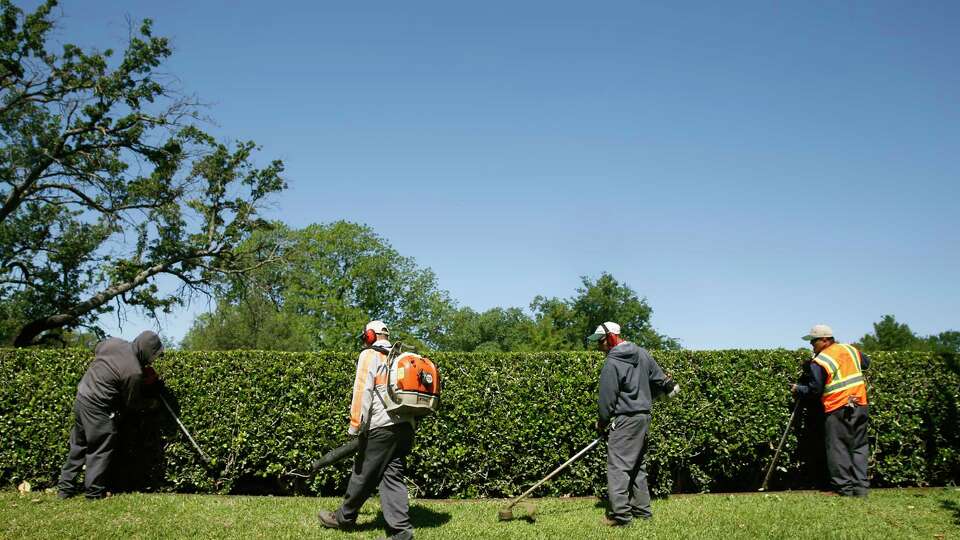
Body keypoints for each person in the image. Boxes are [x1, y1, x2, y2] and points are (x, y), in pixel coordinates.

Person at [318, 320, 416, 540]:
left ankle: (344, 518)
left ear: (370, 336)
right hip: (406, 428)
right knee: (392, 476)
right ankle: (401, 532)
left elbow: (362, 391)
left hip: (381, 427)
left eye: (365, 337)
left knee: (362, 474)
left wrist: (355, 426)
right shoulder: (400, 357)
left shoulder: (369, 355)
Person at [589, 321, 679, 526]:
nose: (598, 346)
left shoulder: (612, 362)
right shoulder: (642, 353)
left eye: (600, 341)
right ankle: (642, 511)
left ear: (611, 337)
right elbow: (661, 380)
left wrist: (602, 423)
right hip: (643, 417)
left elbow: (606, 400)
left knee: (618, 467)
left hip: (625, 419)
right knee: (638, 465)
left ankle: (621, 516)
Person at [57, 330, 163, 499]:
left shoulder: (113, 343)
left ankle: (65, 489)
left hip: (82, 397)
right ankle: (93, 493)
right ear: (147, 351)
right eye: (153, 355)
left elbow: (98, 349)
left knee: (79, 444)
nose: (153, 360)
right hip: (98, 405)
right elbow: (132, 403)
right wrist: (151, 402)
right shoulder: (133, 371)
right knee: (101, 446)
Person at [791, 324, 870, 497]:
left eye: (814, 341)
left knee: (838, 447)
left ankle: (844, 489)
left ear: (825, 340)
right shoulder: (850, 349)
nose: (812, 345)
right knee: (859, 447)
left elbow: (814, 390)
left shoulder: (821, 360)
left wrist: (798, 388)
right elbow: (866, 362)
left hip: (838, 407)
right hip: (860, 404)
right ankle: (861, 488)